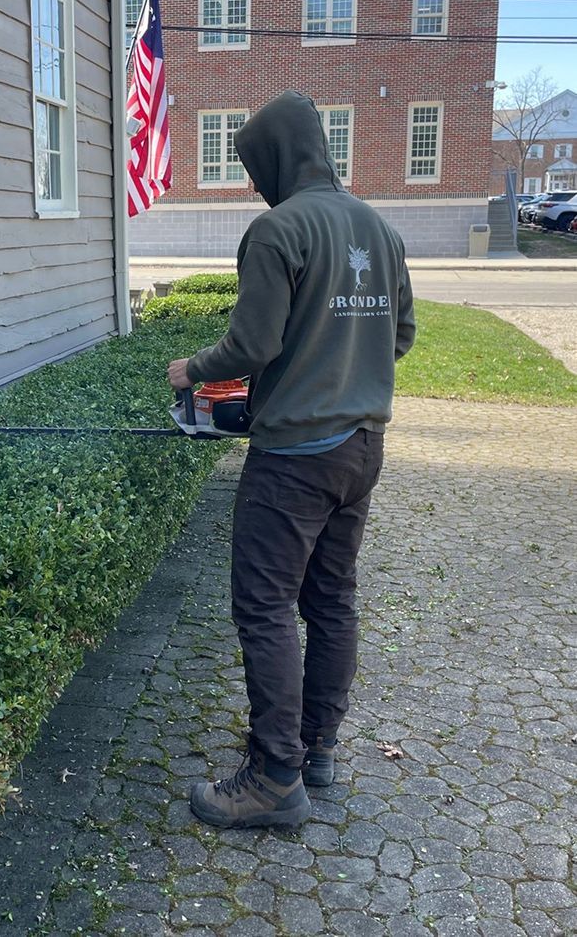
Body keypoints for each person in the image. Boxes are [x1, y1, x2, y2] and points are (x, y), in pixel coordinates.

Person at [168, 91, 416, 829]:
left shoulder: (277, 231)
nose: (253, 184)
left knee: (265, 607)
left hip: (295, 461)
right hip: (362, 450)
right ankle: (317, 750)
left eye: (255, 167)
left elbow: (251, 347)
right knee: (332, 600)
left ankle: (275, 777)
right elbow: (399, 335)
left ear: (277, 157)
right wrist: (342, 368)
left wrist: (191, 369)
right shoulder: (379, 225)